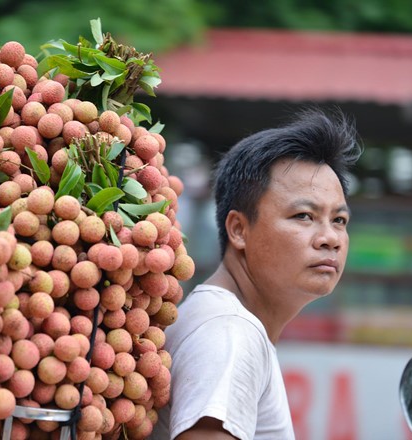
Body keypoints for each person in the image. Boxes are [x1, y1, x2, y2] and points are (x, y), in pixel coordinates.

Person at [150, 107, 362, 440]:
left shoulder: (225, 322)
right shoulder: (230, 334)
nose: (330, 239)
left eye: (339, 220)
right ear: (238, 229)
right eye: (304, 216)